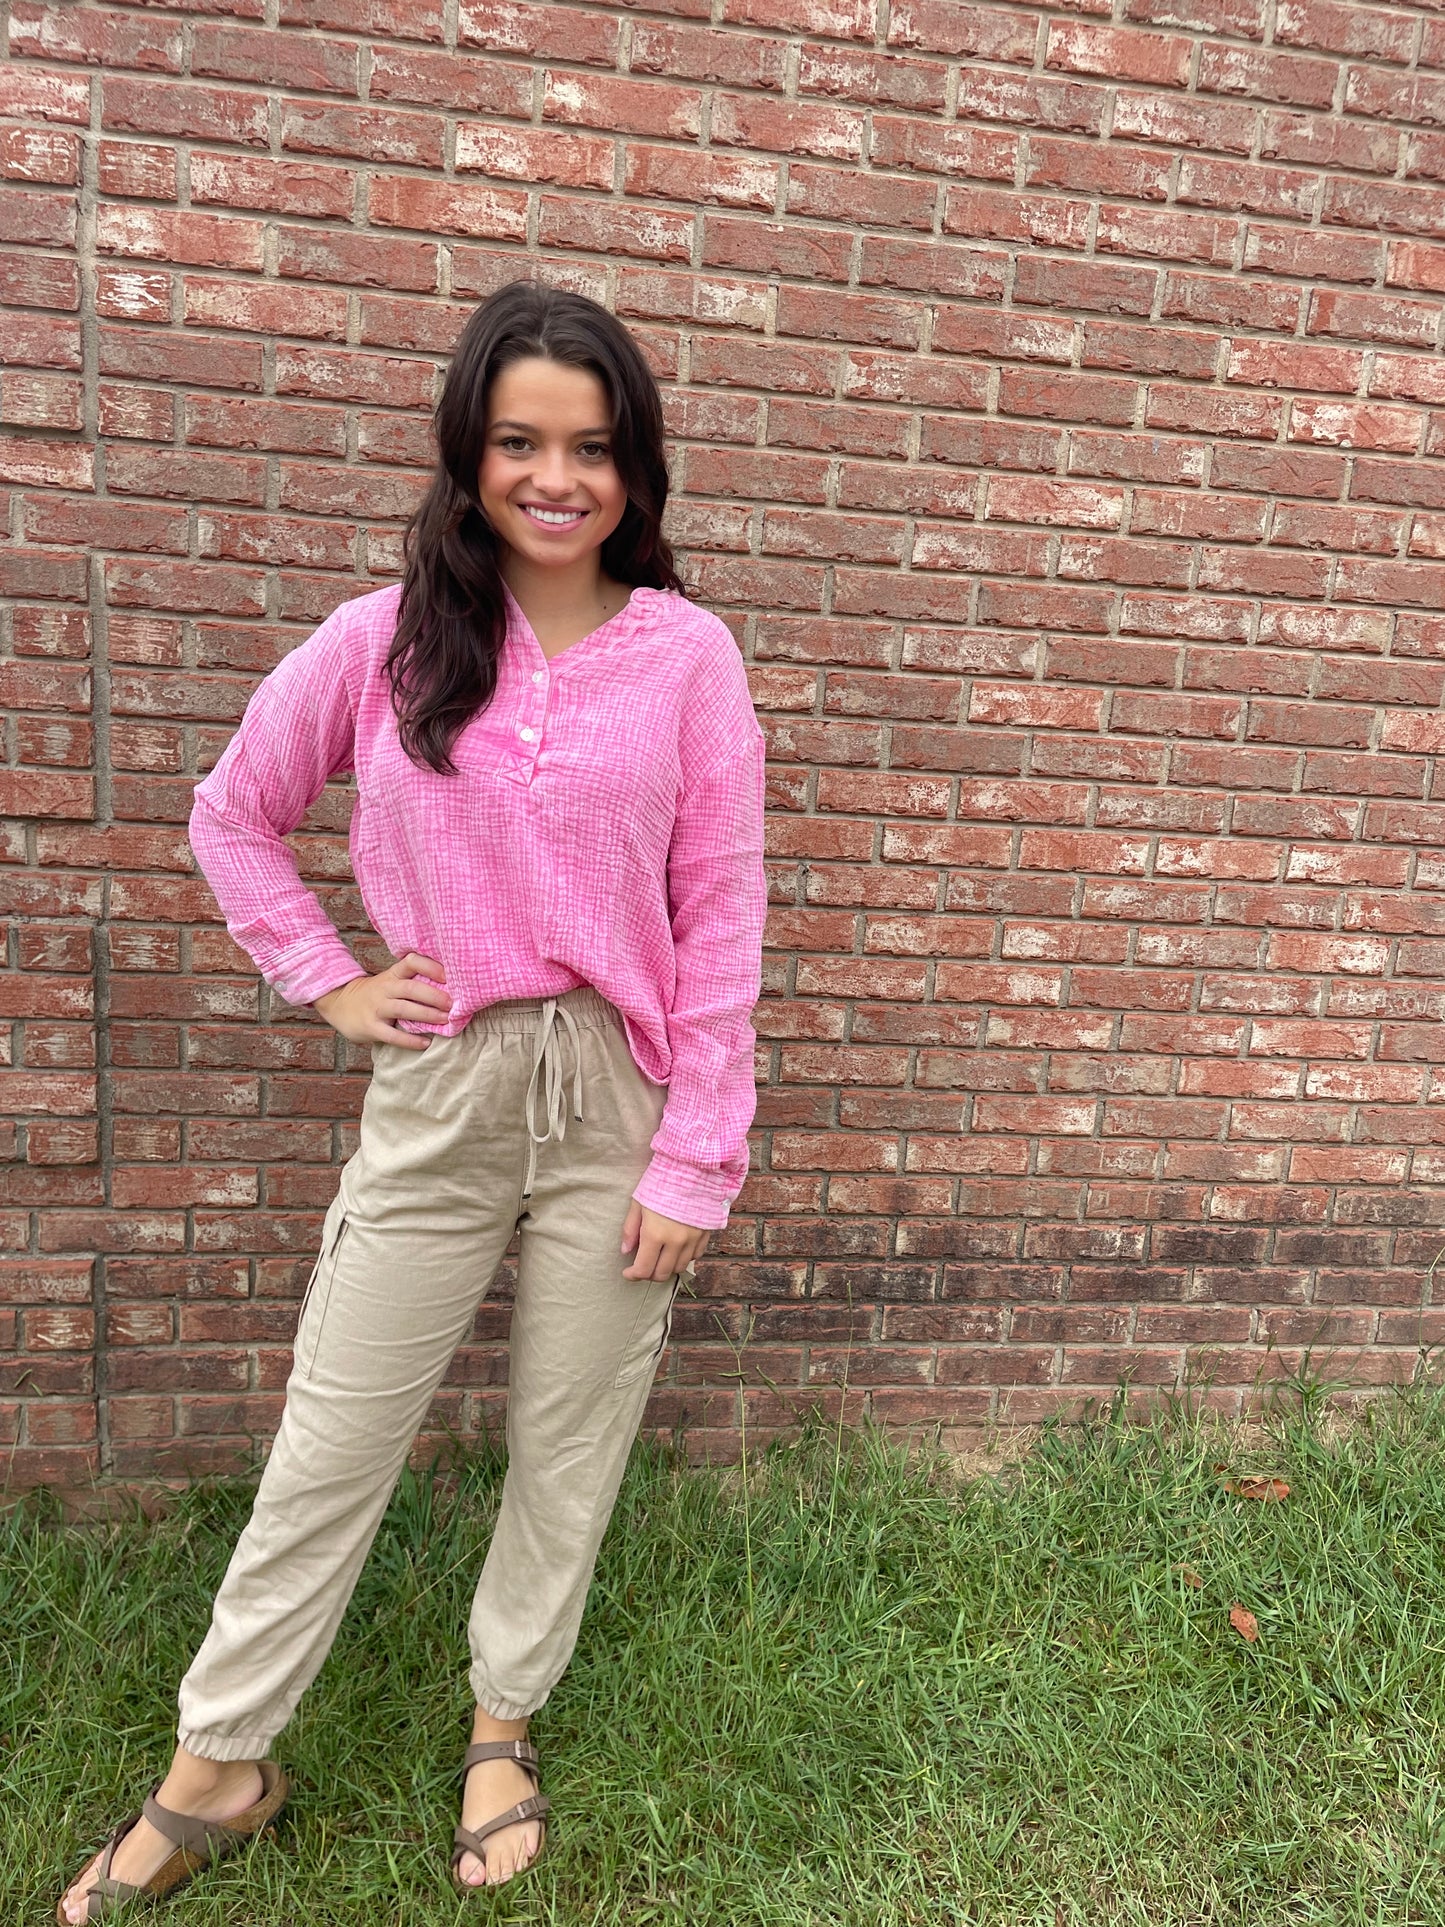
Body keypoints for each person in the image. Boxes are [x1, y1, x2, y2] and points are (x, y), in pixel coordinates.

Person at [57, 279, 767, 1919]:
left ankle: (501, 1725)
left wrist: (694, 1155)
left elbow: (721, 909)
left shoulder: (686, 659)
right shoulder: (382, 640)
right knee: (333, 1436)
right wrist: (331, 980)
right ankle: (219, 1760)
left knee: (565, 1439)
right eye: (519, 440)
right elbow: (234, 812)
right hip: (442, 1090)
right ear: (468, 454)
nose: (555, 477)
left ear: (634, 469)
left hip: (617, 1095)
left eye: (590, 447)